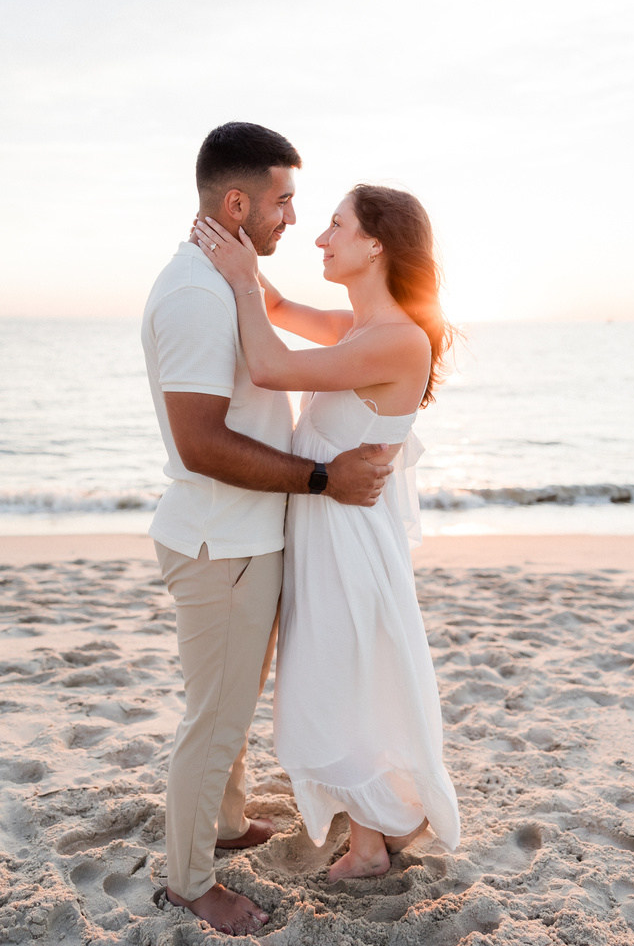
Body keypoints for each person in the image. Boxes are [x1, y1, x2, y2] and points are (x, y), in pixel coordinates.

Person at [141, 123, 393, 936]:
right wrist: (321, 477)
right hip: (221, 543)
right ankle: (188, 882)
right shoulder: (194, 292)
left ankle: (220, 824)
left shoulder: (224, 282)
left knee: (230, 705)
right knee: (211, 721)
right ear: (238, 201)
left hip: (246, 539)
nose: (293, 217)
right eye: (284, 201)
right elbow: (202, 442)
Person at [193, 182, 461, 884]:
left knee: (340, 681)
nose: (319, 237)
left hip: (347, 544)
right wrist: (238, 246)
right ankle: (376, 833)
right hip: (325, 533)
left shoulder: (398, 339)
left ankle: (371, 847)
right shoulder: (358, 328)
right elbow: (276, 310)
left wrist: (242, 281)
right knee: (341, 679)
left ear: (375, 242)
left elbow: (269, 363)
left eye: (335, 226)